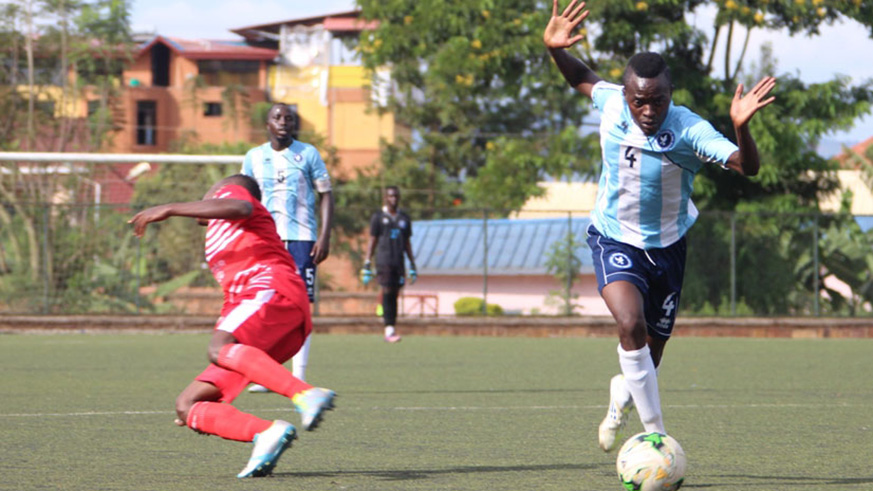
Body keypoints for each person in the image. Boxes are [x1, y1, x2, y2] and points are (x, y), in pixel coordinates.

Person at [543, 0, 776, 451]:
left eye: (658, 101)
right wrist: (555, 50)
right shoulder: (612, 104)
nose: (647, 111)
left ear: (671, 95)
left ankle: (620, 397)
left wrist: (741, 128)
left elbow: (746, 167)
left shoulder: (690, 130)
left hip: (668, 247)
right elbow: (580, 78)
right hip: (612, 236)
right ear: (626, 96)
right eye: (639, 101)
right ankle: (656, 437)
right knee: (629, 324)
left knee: (649, 355)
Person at [129, 174, 336, 478]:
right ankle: (266, 433)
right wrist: (210, 417)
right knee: (189, 405)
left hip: (270, 289)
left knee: (218, 347)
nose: (206, 198)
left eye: (209, 194)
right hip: (262, 314)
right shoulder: (219, 230)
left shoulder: (235, 193)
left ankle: (304, 393)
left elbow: (239, 205)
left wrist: (170, 208)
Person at [241, 102, 334, 390]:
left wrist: (325, 236)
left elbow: (327, 195)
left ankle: (300, 376)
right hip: (266, 238)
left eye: (289, 118)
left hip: (302, 239)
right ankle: (269, 374)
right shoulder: (254, 157)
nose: (283, 121)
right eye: (277, 117)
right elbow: (244, 198)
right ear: (267, 123)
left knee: (300, 306)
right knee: (265, 304)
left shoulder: (308, 154)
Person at [361, 186, 417, 343]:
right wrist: (367, 262)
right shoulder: (378, 217)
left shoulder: (404, 219)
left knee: (395, 293)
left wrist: (412, 264)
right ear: (385, 198)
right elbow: (373, 240)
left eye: (396, 196)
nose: (394, 199)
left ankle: (391, 325)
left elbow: (407, 243)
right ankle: (389, 329)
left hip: (398, 261)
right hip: (383, 260)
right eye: (391, 196)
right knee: (386, 290)